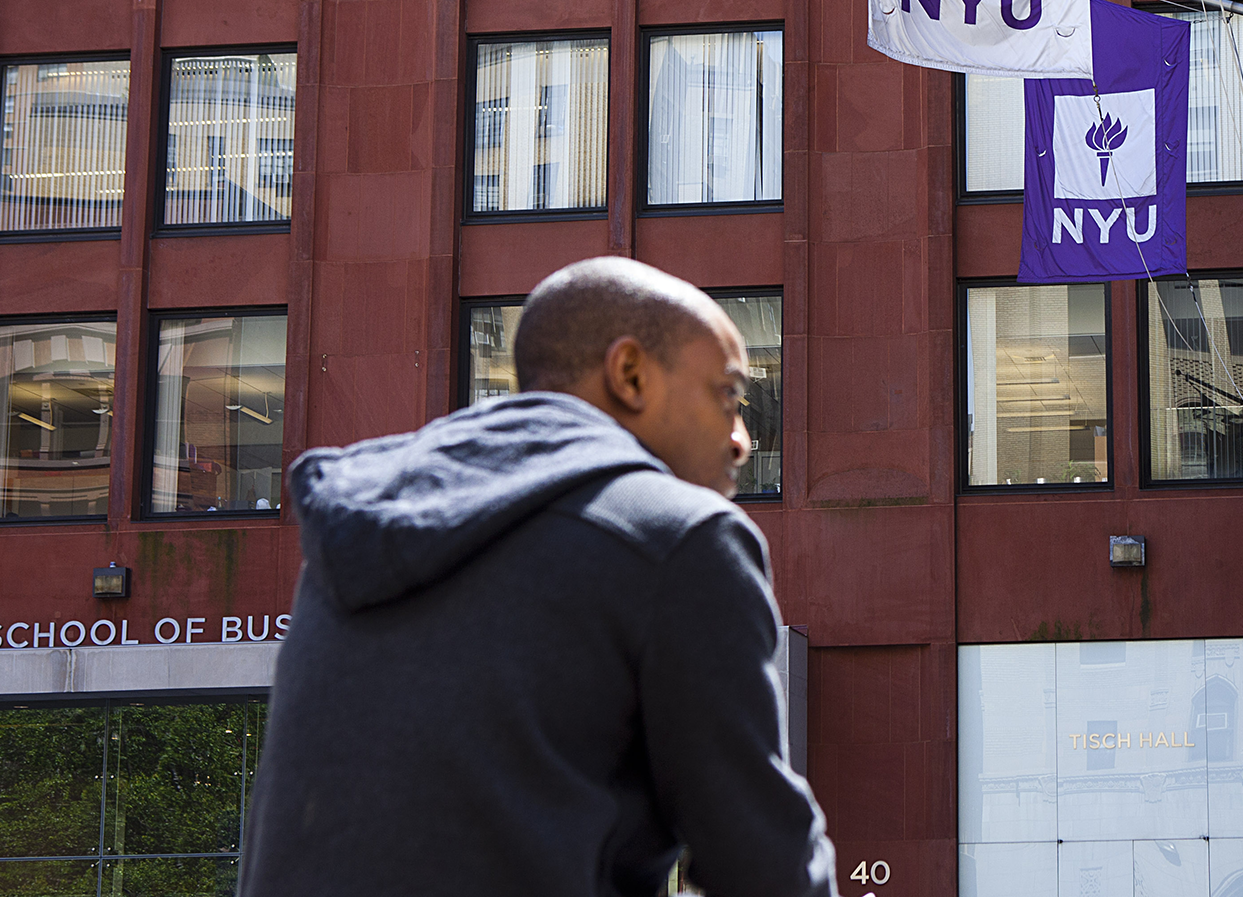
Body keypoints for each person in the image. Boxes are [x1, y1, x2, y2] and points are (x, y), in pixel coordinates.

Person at [243, 257, 836, 897]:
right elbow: (767, 869)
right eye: (728, 395)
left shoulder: (361, 526)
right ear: (630, 374)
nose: (742, 438)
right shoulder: (678, 539)